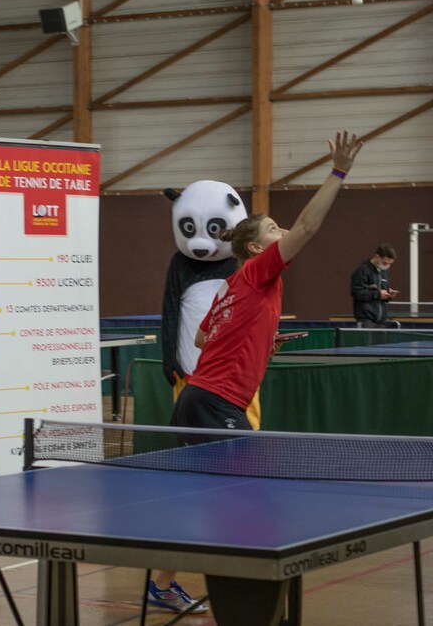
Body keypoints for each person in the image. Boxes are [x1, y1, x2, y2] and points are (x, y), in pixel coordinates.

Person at [149, 131, 364, 614]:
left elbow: (202, 339)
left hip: (195, 400)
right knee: (251, 499)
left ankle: (162, 584)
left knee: (204, 499)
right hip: (217, 404)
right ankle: (246, 605)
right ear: (253, 247)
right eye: (272, 228)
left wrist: (261, 338)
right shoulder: (259, 270)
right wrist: (339, 172)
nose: (282, 230)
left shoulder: (231, 286)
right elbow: (308, 226)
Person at [350, 243, 398, 327]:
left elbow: (382, 292)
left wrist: (388, 294)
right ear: (377, 257)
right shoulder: (363, 270)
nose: (387, 266)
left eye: (390, 264)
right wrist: (378, 294)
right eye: (385, 263)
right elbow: (356, 292)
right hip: (366, 320)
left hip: (381, 321)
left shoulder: (384, 272)